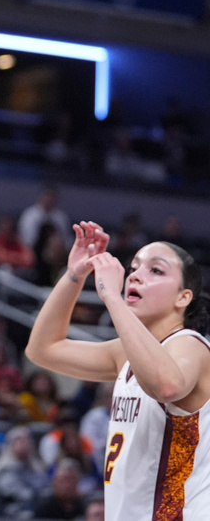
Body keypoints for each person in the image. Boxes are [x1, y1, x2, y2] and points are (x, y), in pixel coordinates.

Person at [25, 221, 210, 519]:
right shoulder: (124, 354)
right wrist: (75, 275)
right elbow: (42, 349)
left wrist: (111, 296)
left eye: (156, 270)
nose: (134, 275)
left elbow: (167, 386)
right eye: (133, 268)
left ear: (183, 297)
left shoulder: (190, 345)